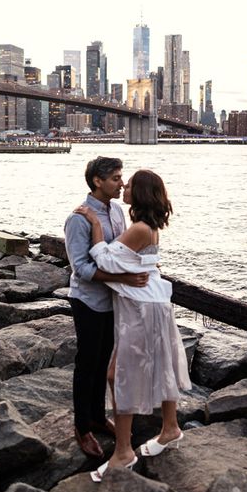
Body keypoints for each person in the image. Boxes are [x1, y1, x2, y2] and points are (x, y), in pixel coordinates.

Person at [74, 168, 191, 482]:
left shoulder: (139, 227)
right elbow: (135, 261)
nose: (123, 186)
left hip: (142, 308)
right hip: (148, 304)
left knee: (119, 374)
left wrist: (96, 225)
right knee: (156, 365)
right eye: (118, 179)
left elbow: (105, 260)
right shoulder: (144, 226)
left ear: (139, 194)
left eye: (129, 183)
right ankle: (169, 428)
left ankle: (123, 452)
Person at [64, 157, 149, 459]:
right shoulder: (78, 219)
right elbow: (81, 268)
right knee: (87, 363)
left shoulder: (115, 211)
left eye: (121, 177)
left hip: (113, 300)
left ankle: (98, 417)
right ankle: (81, 426)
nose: (122, 184)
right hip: (87, 300)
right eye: (115, 178)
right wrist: (124, 277)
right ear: (97, 181)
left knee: (103, 361)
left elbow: (120, 255)